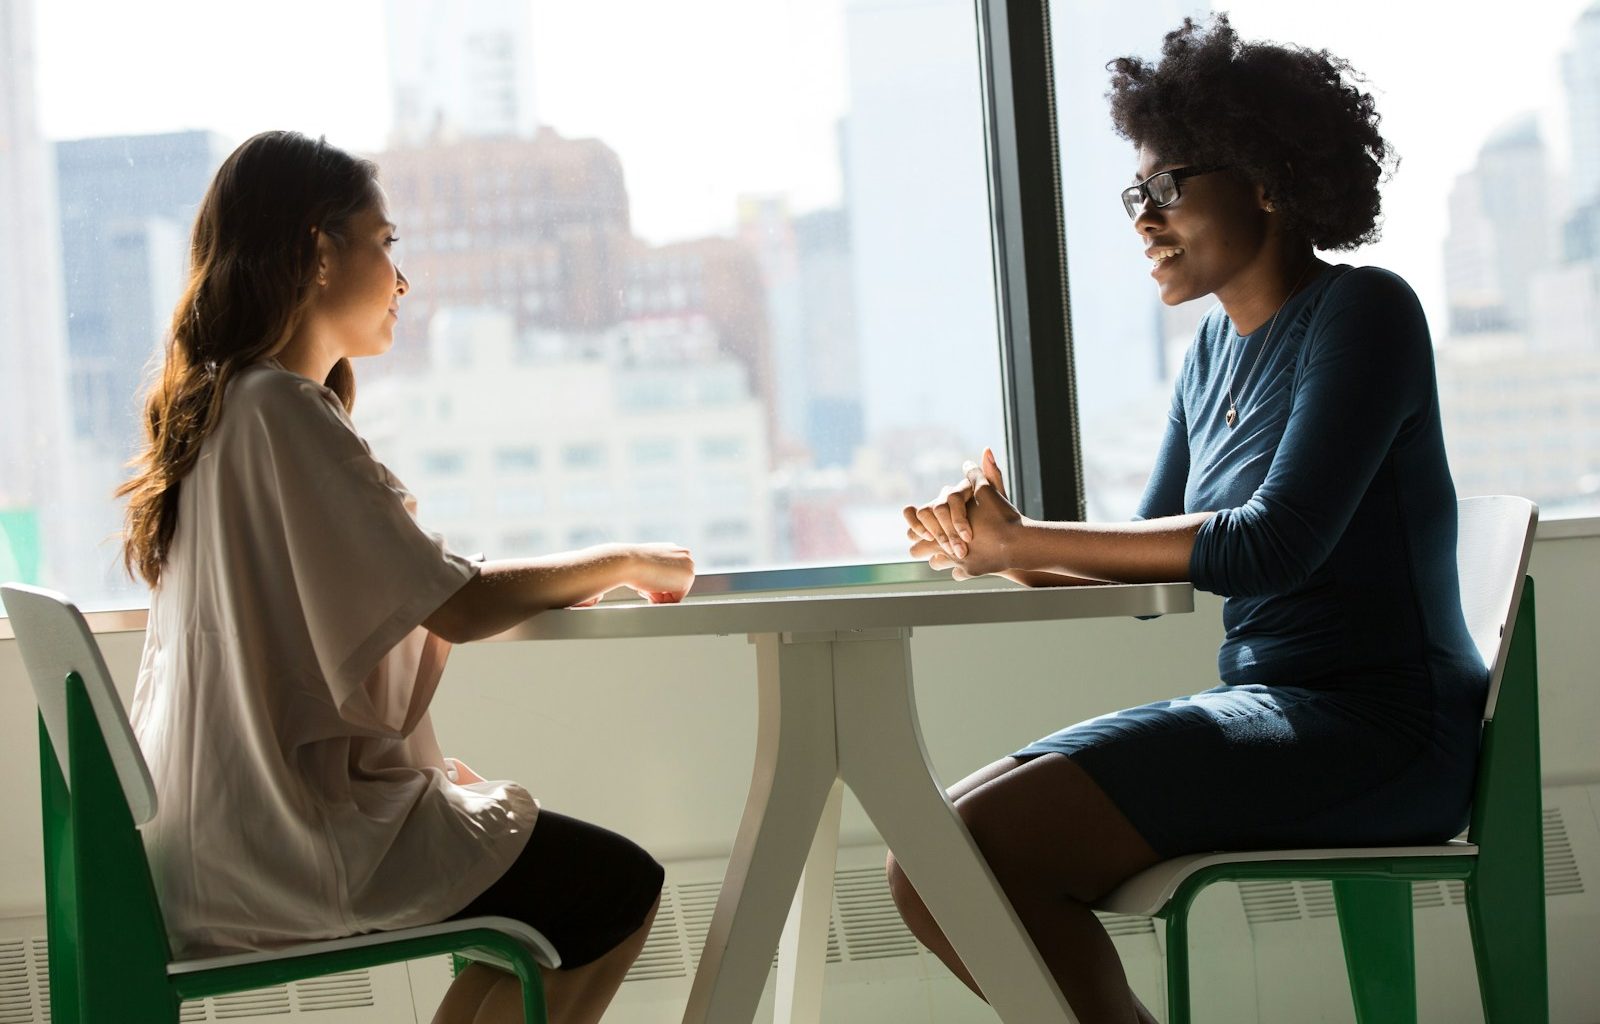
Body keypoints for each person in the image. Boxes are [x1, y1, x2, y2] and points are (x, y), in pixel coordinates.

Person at [890, 16, 1484, 1023]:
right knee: (931, 863)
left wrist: (1023, 541)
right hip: (1274, 709)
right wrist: (992, 547)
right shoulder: (1209, 354)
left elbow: (1270, 543)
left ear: (1262, 176)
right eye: (1137, 194)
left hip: (1384, 729)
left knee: (965, 863)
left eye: (1165, 189)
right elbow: (1152, 573)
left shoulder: (1364, 312)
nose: (1141, 219)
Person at [119, 130, 695, 1024]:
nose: (403, 277)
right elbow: (455, 602)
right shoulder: (278, 408)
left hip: (213, 838)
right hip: (284, 846)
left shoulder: (225, 410)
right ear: (319, 251)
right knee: (615, 890)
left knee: (550, 909)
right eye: (386, 244)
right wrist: (624, 560)